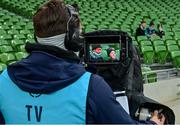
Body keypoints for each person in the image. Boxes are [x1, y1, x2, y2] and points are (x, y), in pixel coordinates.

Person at [0, 0, 165, 124]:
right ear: (74, 39)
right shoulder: (92, 86)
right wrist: (153, 122)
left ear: (37, 37)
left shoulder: (4, 79)